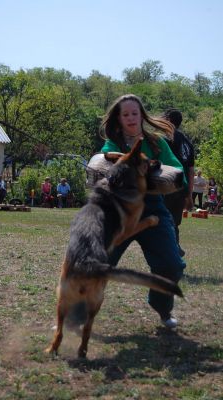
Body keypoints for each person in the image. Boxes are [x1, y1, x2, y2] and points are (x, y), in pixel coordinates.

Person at [100, 94, 186, 329]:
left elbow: (178, 170)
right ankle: (76, 314)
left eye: (134, 113)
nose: (130, 118)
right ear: (118, 118)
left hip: (153, 211)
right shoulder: (112, 144)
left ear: (141, 116)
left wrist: (158, 177)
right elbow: (101, 161)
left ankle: (163, 308)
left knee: (172, 265)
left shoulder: (158, 142)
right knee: (95, 263)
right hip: (119, 212)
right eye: (125, 114)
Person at [163, 108, 195, 257]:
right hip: (182, 187)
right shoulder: (188, 142)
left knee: (163, 220)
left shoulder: (165, 139)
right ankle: (175, 249)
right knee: (173, 221)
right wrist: (189, 194)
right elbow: (190, 171)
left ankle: (173, 249)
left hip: (168, 185)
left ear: (168, 119)